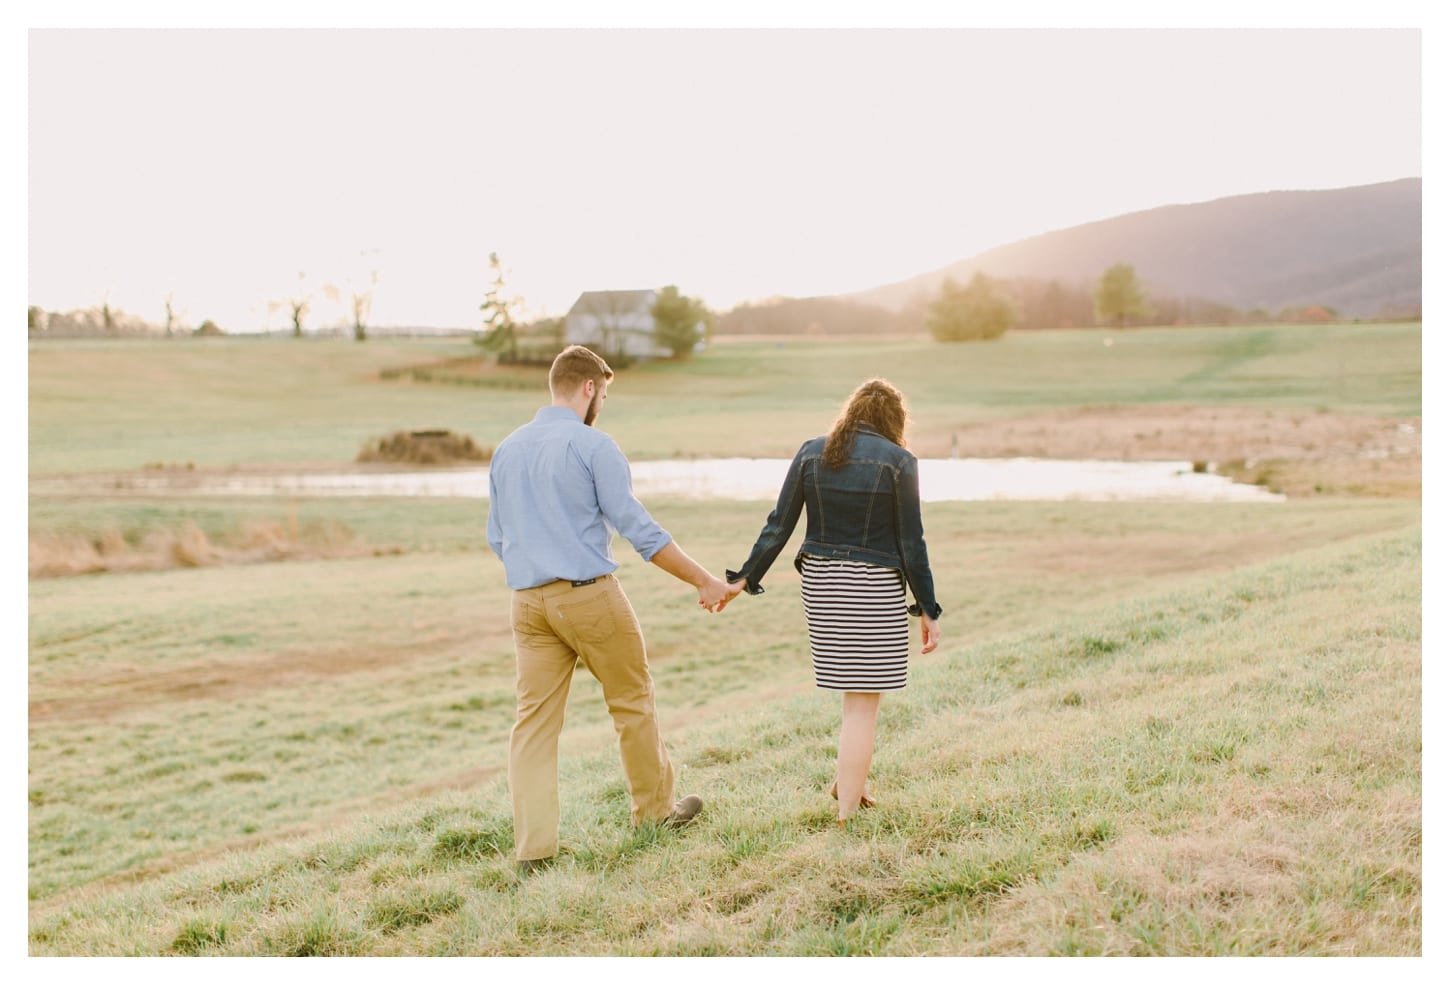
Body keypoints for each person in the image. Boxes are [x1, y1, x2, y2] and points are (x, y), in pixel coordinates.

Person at [487, 344, 734, 875]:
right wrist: (704, 580)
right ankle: (655, 815)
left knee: (532, 724)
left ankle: (534, 851)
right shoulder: (593, 445)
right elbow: (639, 530)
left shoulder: (506, 449)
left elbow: (497, 537)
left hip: (527, 604)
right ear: (590, 387)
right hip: (588, 594)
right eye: (604, 392)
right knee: (631, 699)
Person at [723, 378, 942, 825]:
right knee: (864, 700)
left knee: (853, 692)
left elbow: (778, 524)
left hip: (821, 583)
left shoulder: (811, 452)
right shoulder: (900, 461)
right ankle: (846, 815)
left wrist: (745, 577)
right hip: (872, 584)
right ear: (894, 421)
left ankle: (850, 785)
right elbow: (911, 543)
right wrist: (928, 609)